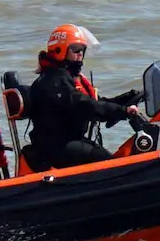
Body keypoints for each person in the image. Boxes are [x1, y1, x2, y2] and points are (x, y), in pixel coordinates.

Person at [24, 24, 141, 170]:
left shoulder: (64, 77)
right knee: (110, 165)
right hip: (56, 146)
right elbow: (83, 105)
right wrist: (121, 111)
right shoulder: (54, 81)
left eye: (82, 50)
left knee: (106, 158)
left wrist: (123, 102)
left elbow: (92, 102)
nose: (80, 54)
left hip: (68, 141)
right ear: (60, 50)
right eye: (75, 49)